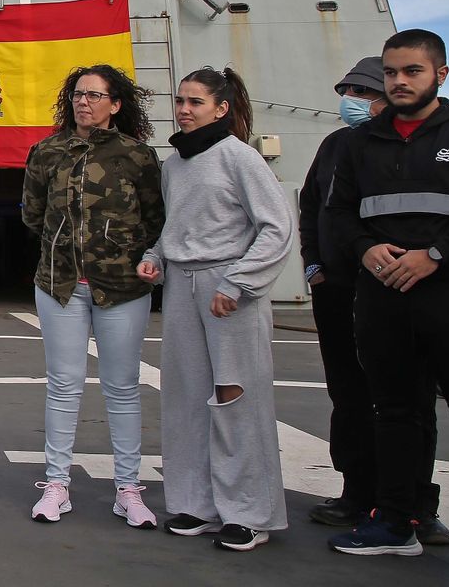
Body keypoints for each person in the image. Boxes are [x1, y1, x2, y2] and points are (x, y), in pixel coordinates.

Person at [325, 30, 449, 559]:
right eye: (392, 72)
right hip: (383, 298)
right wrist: (365, 250)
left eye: (411, 71)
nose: (399, 81)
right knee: (394, 411)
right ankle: (396, 522)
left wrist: (435, 255)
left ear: (440, 74)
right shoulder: (358, 143)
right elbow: (338, 213)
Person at [137, 66, 291, 552]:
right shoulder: (173, 165)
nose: (184, 109)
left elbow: (276, 227)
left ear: (221, 109)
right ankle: (195, 504)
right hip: (182, 285)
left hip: (229, 288)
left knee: (236, 398)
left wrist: (241, 282)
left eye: (195, 102)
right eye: (180, 101)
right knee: (185, 396)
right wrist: (153, 258)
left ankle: (249, 512)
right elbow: (173, 227)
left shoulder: (240, 158)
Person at [299, 57, 448, 542]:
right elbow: (313, 209)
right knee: (349, 395)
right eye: (349, 91)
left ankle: (416, 506)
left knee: (410, 399)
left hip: (397, 288)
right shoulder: (336, 145)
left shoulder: (421, 144)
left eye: (362, 93)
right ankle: (356, 492)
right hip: (338, 289)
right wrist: (315, 267)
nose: (353, 102)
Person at [22, 65, 164, 528]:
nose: (84, 103)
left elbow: (155, 217)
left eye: (95, 95)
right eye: (78, 95)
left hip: (121, 288)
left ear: (115, 103)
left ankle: (128, 489)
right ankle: (57, 484)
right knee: (63, 385)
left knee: (122, 388)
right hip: (60, 285)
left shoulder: (137, 156)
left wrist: (124, 252)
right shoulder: (47, 152)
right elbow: (32, 214)